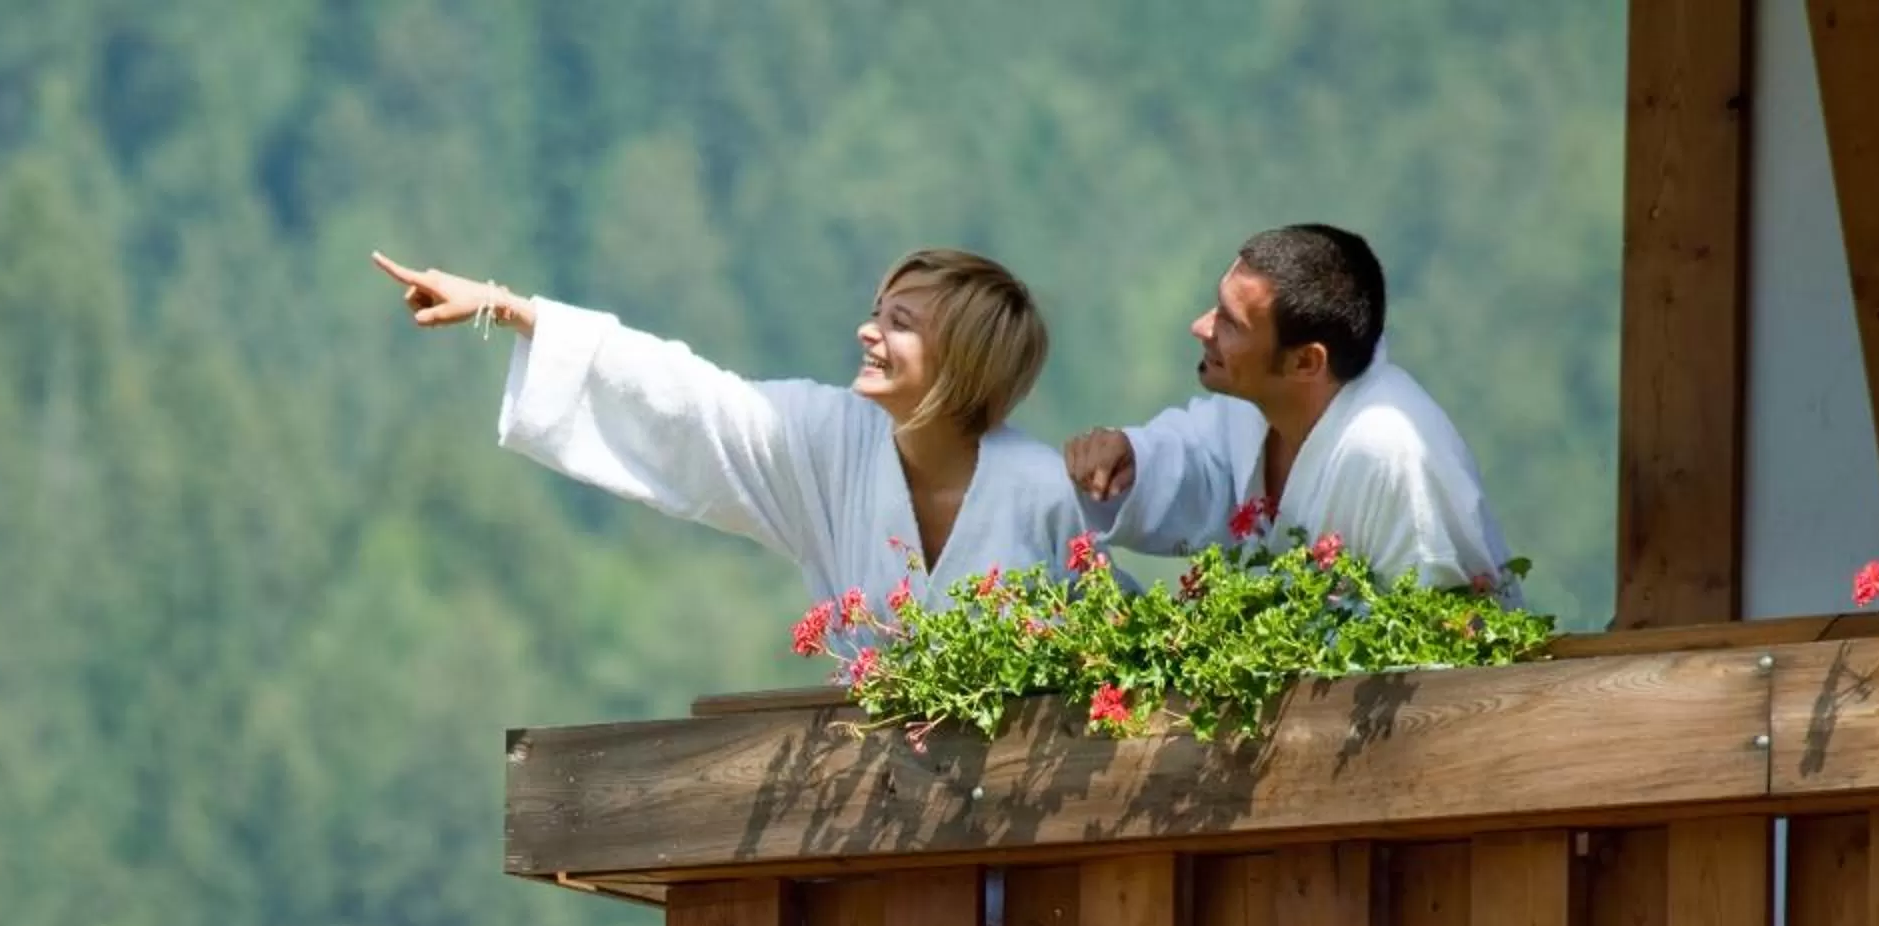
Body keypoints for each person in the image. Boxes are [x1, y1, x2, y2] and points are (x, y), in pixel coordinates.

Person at [371, 247, 1095, 616]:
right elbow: (690, 400)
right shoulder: (830, 441)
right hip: (879, 847)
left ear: (961, 361)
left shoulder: (1040, 492)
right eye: (878, 312)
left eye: (899, 323)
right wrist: (508, 307)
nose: (867, 332)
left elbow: (1113, 642)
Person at [1064, 224, 1513, 591]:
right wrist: (1132, 461)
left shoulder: (1395, 457)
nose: (1201, 327)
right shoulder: (1256, 408)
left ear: (1305, 362)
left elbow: (1444, 647)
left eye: (1231, 324)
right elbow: (1204, 466)